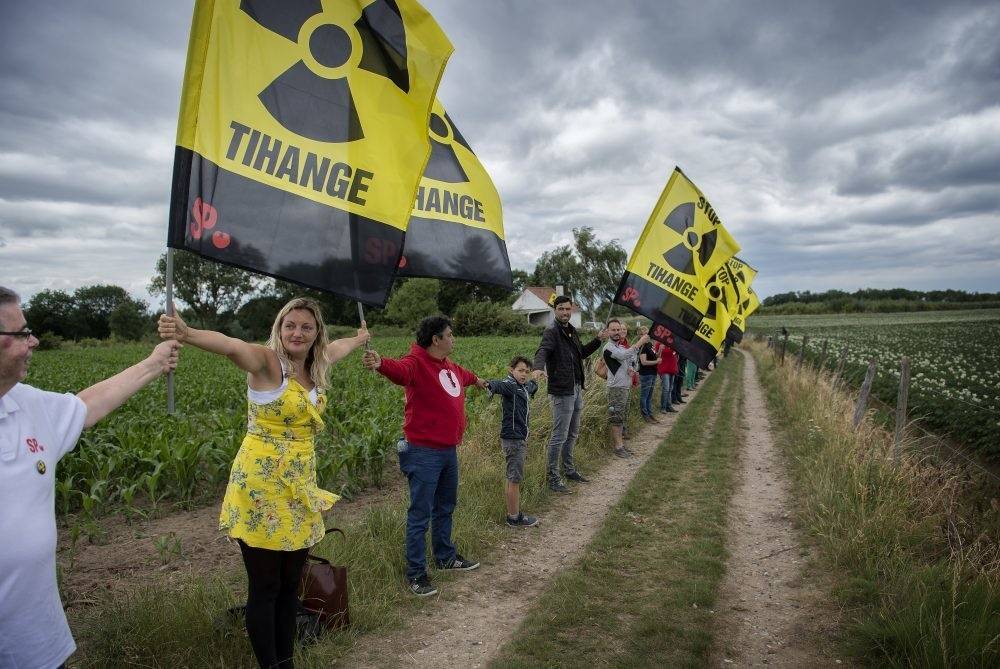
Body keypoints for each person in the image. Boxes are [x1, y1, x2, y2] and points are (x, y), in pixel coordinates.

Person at [158, 297, 368, 669]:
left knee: (290, 587)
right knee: (266, 586)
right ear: (279, 329)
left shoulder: (316, 366)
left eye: (306, 326)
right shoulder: (268, 363)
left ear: (316, 331)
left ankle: (285, 662)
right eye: (290, 326)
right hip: (261, 488)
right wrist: (187, 333)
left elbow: (337, 349)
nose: (297, 333)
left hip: (299, 488)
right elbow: (231, 346)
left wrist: (359, 337)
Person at [0, 286, 179, 669]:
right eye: (21, 333)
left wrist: (153, 363)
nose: (33, 341)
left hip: (35, 642)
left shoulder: (25, 404)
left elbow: (87, 405)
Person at [361, 315, 486, 597]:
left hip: (447, 450)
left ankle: (445, 557)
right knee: (420, 513)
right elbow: (398, 370)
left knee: (446, 506)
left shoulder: (448, 366)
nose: (454, 339)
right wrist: (379, 363)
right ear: (436, 340)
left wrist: (479, 381)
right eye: (450, 335)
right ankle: (416, 574)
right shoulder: (416, 363)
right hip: (423, 452)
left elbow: (464, 375)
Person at [531, 296, 608, 493]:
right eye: (561, 309)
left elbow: (580, 353)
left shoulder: (571, 330)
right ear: (555, 310)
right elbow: (543, 351)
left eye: (568, 309)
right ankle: (553, 478)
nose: (565, 312)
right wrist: (538, 368)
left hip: (575, 388)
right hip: (561, 391)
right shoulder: (552, 332)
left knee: (572, 432)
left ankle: (569, 469)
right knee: (559, 435)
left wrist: (598, 340)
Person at [485, 356, 539, 528]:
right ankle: (513, 518)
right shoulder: (509, 385)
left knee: (513, 477)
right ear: (511, 370)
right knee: (514, 479)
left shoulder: (522, 387)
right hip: (513, 439)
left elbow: (530, 387)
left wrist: (535, 379)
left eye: (526, 372)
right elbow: (498, 385)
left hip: (518, 438)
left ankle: (514, 514)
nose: (524, 374)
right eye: (520, 370)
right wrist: (487, 384)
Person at [602, 319, 649, 458]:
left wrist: (631, 369)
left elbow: (630, 362)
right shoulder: (608, 347)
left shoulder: (621, 347)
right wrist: (639, 343)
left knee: (622, 418)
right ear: (608, 331)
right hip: (616, 388)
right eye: (614, 330)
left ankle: (621, 445)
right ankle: (618, 447)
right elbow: (622, 356)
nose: (617, 332)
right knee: (616, 418)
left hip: (625, 387)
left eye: (618, 330)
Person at [637, 336, 661, 423]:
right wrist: (656, 362)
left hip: (653, 373)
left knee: (649, 396)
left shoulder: (650, 345)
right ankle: (645, 415)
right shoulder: (642, 347)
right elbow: (643, 362)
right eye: (644, 334)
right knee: (645, 396)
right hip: (646, 374)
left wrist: (660, 350)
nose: (647, 336)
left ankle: (650, 414)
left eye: (647, 334)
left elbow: (656, 356)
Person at [656, 339, 679, 414]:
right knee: (666, 388)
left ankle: (668, 405)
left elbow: (676, 354)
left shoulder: (673, 342)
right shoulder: (659, 343)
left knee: (670, 388)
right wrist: (660, 349)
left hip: (672, 368)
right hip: (664, 368)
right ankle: (663, 407)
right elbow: (656, 356)